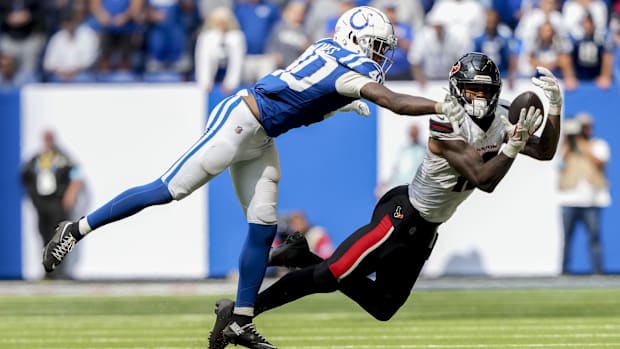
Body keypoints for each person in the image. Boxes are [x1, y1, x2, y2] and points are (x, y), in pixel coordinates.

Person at [42, 6, 466, 349]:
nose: (379, 56)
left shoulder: (328, 48)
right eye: (376, 47)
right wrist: (441, 106)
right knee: (168, 189)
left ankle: (240, 321)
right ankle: (75, 229)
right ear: (356, 41)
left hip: (262, 134)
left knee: (263, 226)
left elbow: (307, 91)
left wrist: (337, 104)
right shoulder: (350, 66)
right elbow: (391, 100)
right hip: (240, 122)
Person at [209, 53, 564, 349]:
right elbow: (483, 180)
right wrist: (510, 148)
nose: (479, 99)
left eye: (485, 91)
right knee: (328, 275)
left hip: (426, 229)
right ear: (457, 91)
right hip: (400, 215)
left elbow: (545, 151)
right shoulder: (446, 122)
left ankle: (302, 256)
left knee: (383, 306)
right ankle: (241, 313)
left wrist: (555, 110)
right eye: (472, 90)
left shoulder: (501, 117)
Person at [21, 130, 85, 278]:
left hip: (58, 202)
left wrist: (70, 194)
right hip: (42, 204)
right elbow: (25, 177)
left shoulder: (62, 157)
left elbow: (77, 175)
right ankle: (48, 271)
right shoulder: (37, 158)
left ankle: (62, 271)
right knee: (44, 235)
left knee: (62, 235)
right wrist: (33, 197)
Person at [559, 113, 610, 275]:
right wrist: (568, 141)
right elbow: (559, 163)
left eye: (587, 126)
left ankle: (598, 272)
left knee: (594, 239)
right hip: (569, 200)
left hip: (592, 201)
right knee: (567, 239)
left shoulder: (598, 145)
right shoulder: (568, 146)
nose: (585, 129)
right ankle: (564, 273)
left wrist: (582, 144)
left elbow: (600, 162)